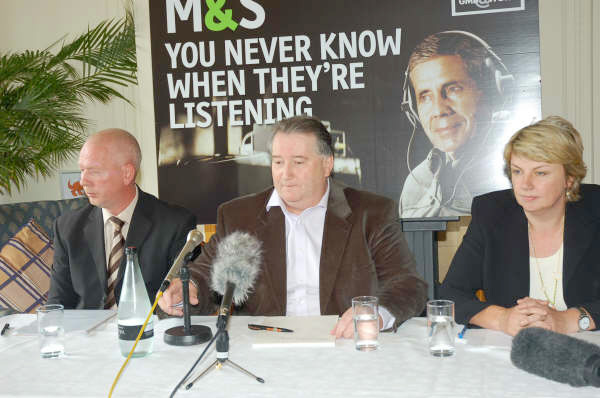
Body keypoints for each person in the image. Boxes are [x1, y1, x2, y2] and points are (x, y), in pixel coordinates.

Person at [159, 115, 427, 338]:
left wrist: (375, 312)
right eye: (278, 162)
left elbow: (407, 284)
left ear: (327, 164)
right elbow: (206, 275)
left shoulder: (371, 213)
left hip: (343, 342)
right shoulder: (240, 216)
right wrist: (187, 289)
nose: (285, 174)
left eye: (298, 162)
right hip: (265, 345)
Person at [440, 116, 599, 336]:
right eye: (517, 171)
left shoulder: (596, 212)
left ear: (569, 179)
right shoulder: (491, 213)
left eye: (540, 172)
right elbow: (450, 294)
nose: (525, 185)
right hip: (511, 351)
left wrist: (569, 320)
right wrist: (502, 318)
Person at [47, 129, 197, 309]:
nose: (83, 181)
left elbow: (182, 297)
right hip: (85, 335)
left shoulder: (176, 224)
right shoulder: (67, 228)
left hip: (147, 333)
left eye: (94, 171)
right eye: (82, 170)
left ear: (127, 173)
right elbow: (57, 305)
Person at [400, 31, 513, 217]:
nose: (438, 109)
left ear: (490, 90)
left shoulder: (520, 176)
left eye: (453, 89)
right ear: (413, 107)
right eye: (425, 96)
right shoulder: (415, 185)